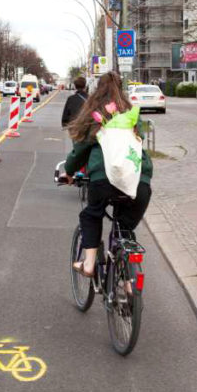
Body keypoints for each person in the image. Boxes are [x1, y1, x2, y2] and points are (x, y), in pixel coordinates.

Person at [65, 72, 153, 277]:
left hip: (103, 179)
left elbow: (80, 150)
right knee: (125, 227)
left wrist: (69, 172)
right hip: (138, 182)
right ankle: (129, 283)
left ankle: (88, 264)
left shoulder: (95, 113)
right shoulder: (130, 111)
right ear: (121, 89)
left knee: (91, 215)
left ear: (97, 89)